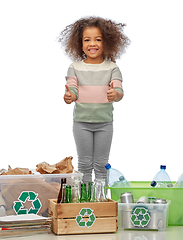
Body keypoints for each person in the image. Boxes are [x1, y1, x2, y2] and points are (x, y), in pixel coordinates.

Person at [58, 16, 130, 184]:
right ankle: (86, 199)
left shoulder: (112, 67)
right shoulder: (75, 67)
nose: (92, 44)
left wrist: (115, 94)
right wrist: (70, 96)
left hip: (105, 124)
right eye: (87, 40)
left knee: (101, 165)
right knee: (84, 164)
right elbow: (72, 87)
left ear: (107, 42)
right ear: (80, 43)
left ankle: (101, 200)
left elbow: (119, 90)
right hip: (81, 123)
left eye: (98, 39)